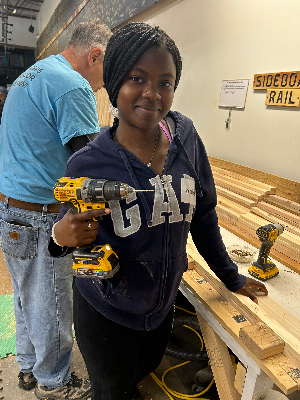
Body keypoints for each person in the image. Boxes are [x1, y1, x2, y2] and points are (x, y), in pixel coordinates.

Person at [52, 22, 268, 400]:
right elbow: (66, 235)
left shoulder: (185, 138)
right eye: (137, 78)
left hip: (161, 306)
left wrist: (231, 276)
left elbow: (204, 217)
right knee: (111, 390)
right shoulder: (88, 163)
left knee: (144, 370)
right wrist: (61, 237)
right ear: (116, 81)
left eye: (165, 82)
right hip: (106, 313)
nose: (151, 93)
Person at [0, 18, 111, 399]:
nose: (102, 84)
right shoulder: (72, 84)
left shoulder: (38, 72)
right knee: (52, 302)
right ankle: (55, 383)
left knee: (27, 295)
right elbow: (89, 161)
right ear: (94, 56)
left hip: (12, 208)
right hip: (40, 214)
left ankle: (30, 367)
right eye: (105, 71)